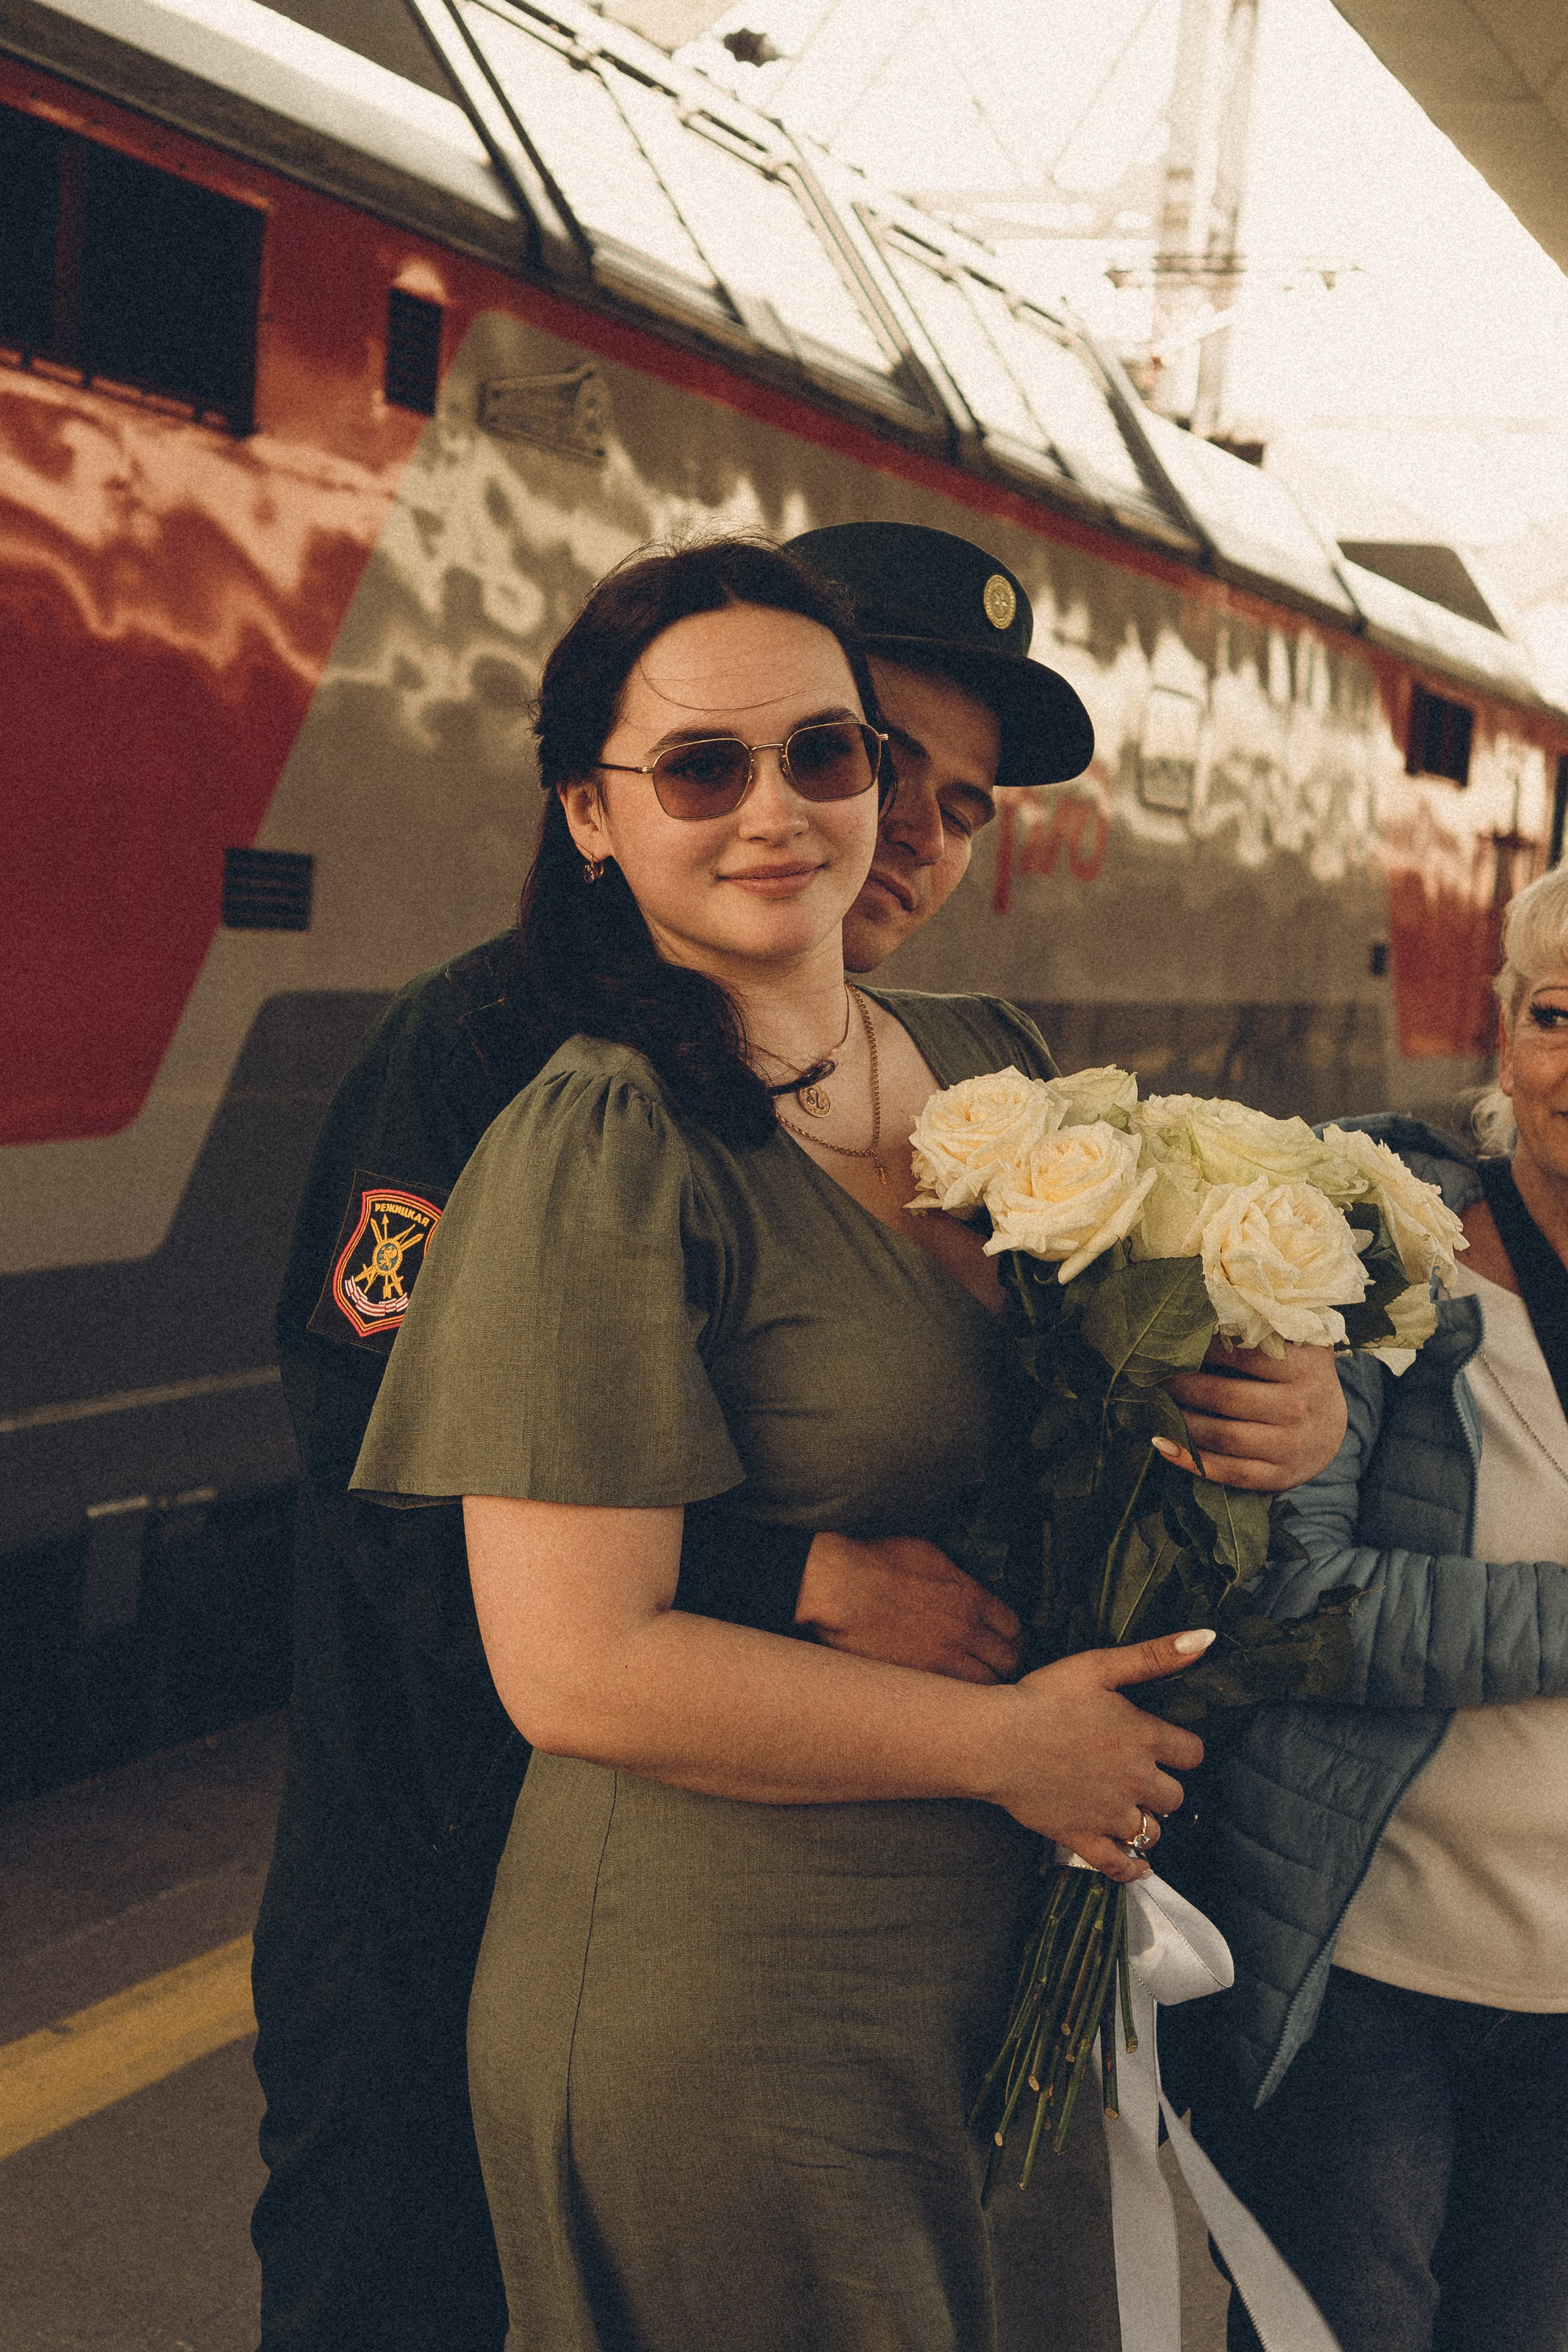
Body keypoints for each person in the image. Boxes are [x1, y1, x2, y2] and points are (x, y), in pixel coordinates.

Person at [251, 522, 1346, 2352]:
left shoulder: (982, 1071)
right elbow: (402, 1482)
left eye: (924, 789)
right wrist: (801, 1581)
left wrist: (1265, 1403)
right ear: (601, 809)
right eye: (879, 757)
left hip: (954, 1938)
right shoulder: (518, 1061)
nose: (885, 822)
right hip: (473, 1868)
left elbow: (1074, 1435)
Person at [1173, 861, 1568, 2352]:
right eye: (1552, 1013)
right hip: (1362, 1971)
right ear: (1501, 1030)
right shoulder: (1372, 1249)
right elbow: (1298, 1599)